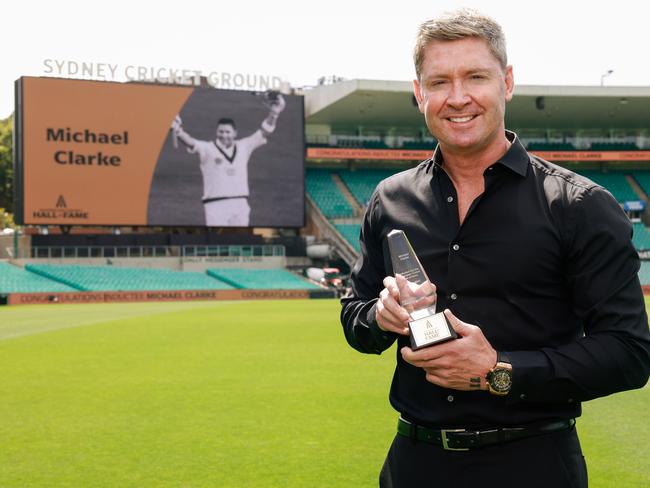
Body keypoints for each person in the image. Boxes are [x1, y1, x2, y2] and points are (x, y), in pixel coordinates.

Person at [340, 9, 650, 488]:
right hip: (413, 465)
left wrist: (499, 370)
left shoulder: (579, 205)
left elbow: (630, 352)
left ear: (506, 82)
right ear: (419, 93)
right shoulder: (390, 199)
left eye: (476, 77)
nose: (458, 98)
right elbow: (355, 319)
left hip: (533, 465)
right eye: (439, 81)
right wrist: (380, 318)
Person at [170, 93, 286, 226]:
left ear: (235, 133)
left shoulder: (244, 146)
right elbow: (190, 142)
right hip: (215, 205)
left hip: (240, 204)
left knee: (241, 240)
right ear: (216, 132)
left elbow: (265, 131)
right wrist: (177, 130)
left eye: (227, 132)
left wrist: (274, 114)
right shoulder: (207, 148)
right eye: (221, 131)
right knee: (218, 241)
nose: (224, 135)